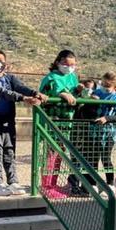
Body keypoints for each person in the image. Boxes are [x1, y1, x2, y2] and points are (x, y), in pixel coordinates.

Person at [0, 49, 46, 196]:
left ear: (6, 64)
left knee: (9, 150)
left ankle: (13, 182)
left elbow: (21, 87)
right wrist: (23, 98)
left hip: (7, 120)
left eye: (1, 60)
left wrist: (34, 93)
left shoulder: (10, 78)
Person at [38, 50, 80, 198]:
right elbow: (54, 89)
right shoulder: (51, 77)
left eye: (73, 65)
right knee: (51, 153)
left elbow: (75, 93)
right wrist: (61, 94)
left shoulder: (73, 77)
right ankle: (46, 185)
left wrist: (80, 91)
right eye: (66, 64)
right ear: (58, 62)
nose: (69, 67)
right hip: (52, 120)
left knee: (60, 153)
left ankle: (53, 184)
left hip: (67, 122)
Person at [89, 72, 116, 188]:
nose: (105, 87)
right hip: (95, 131)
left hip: (110, 133)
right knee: (93, 158)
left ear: (115, 86)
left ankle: (110, 184)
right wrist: (92, 101)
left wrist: (107, 118)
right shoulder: (97, 93)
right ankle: (92, 183)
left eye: (108, 85)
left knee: (106, 158)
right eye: (103, 84)